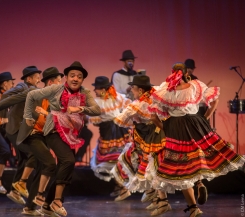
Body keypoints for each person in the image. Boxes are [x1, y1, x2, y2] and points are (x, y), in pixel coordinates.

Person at [148, 63, 245, 217]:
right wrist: (205, 117)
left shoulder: (165, 89)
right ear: (186, 73)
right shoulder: (195, 85)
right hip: (196, 124)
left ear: (172, 73)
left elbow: (153, 116)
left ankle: (191, 207)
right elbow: (215, 101)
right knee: (197, 154)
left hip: (176, 127)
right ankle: (199, 183)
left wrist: (164, 127)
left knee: (179, 165)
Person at [24, 61, 101, 216]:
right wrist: (27, 116)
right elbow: (32, 95)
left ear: (82, 80)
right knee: (68, 161)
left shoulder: (84, 93)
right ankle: (57, 201)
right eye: (72, 75)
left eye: (79, 76)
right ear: (66, 77)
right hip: (53, 131)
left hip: (70, 134)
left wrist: (80, 108)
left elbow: (96, 109)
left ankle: (46, 206)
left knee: (66, 168)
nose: (75, 79)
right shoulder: (56, 89)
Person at [0, 67, 63, 215]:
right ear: (51, 82)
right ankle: (23, 186)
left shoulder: (53, 98)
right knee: (43, 160)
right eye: (59, 81)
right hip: (24, 132)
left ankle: (29, 206)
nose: (61, 84)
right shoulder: (31, 91)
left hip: (39, 134)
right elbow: (11, 98)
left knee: (41, 164)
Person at [111, 75, 169, 215]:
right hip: (160, 132)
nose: (132, 90)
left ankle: (160, 200)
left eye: (134, 88)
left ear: (141, 90)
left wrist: (116, 115)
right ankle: (155, 196)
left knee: (149, 166)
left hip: (149, 136)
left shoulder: (137, 105)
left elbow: (120, 120)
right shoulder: (157, 94)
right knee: (150, 164)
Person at [0, 66, 42, 207]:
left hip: (20, 130)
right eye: (36, 77)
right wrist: (6, 116)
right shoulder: (23, 86)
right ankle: (21, 185)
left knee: (23, 158)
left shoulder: (32, 90)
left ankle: (15, 191)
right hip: (15, 129)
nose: (39, 79)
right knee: (32, 154)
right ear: (29, 79)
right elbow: (5, 95)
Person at [88, 76, 131, 194]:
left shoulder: (98, 103)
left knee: (110, 159)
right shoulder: (117, 97)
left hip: (109, 132)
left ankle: (122, 186)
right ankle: (120, 185)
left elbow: (96, 121)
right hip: (120, 129)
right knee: (117, 158)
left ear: (102, 90)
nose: (94, 91)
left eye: (96, 88)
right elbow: (128, 106)